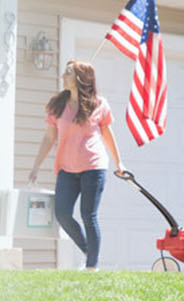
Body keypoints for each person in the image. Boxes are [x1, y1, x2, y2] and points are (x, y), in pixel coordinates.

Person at [27, 60, 127, 270]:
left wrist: (119, 162)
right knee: (62, 213)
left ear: (80, 78)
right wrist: (36, 165)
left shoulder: (98, 104)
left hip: (93, 166)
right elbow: (49, 137)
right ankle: (87, 250)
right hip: (66, 168)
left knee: (88, 215)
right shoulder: (58, 105)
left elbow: (107, 134)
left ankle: (92, 267)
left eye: (68, 73)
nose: (63, 76)